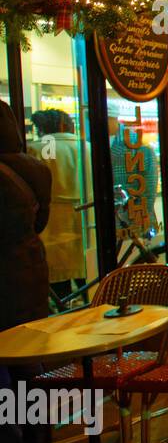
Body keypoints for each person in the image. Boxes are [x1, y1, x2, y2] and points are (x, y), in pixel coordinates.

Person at [0, 101, 52, 443]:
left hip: (5, 277)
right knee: (28, 361)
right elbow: (41, 222)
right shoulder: (35, 168)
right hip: (30, 270)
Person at [32, 110, 86, 300]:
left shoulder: (37, 149)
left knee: (59, 280)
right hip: (87, 218)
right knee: (87, 275)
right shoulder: (87, 147)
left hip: (52, 223)